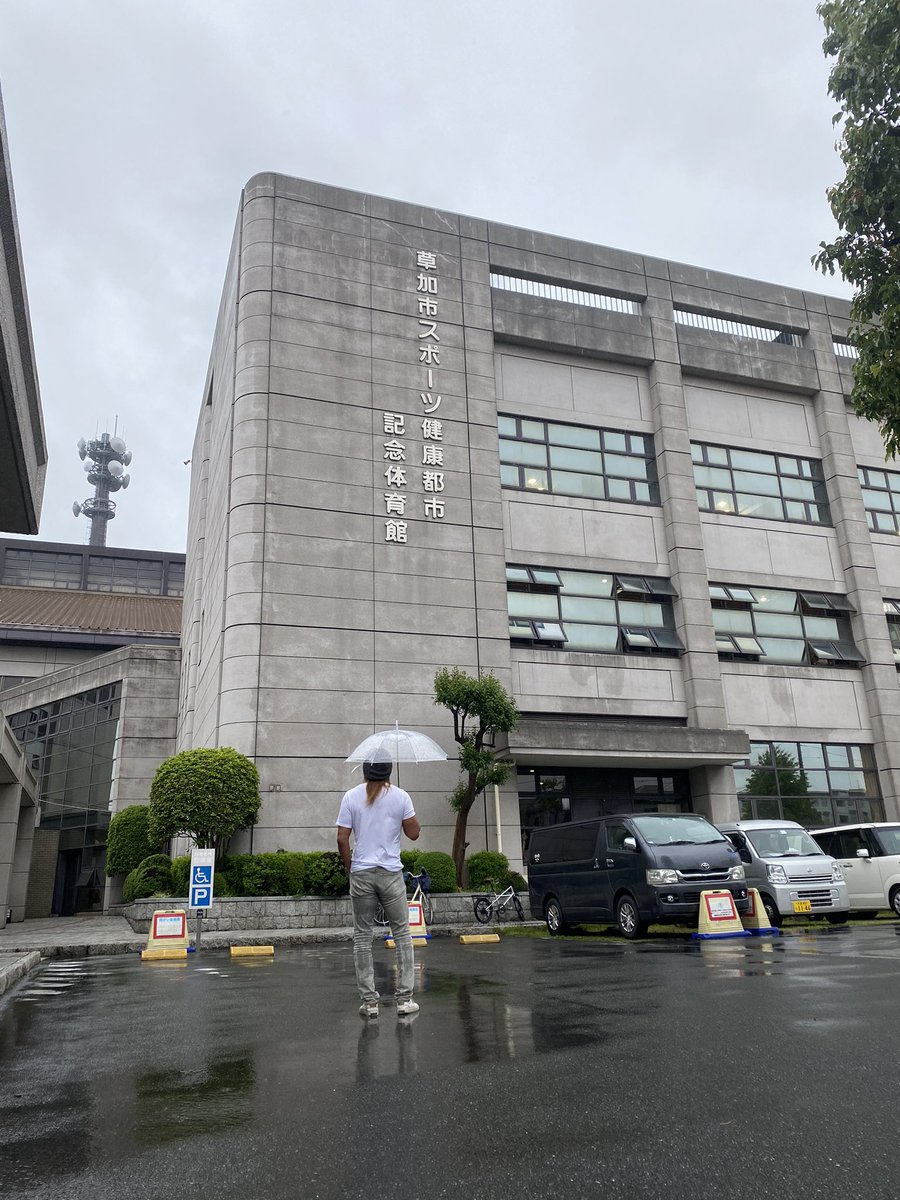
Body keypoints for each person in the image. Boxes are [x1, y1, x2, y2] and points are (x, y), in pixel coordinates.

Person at [336, 759, 421, 1019]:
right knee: (402, 933)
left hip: (362, 872)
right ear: (389, 772)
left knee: (362, 936)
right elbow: (414, 833)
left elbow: (342, 838)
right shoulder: (401, 796)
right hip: (390, 874)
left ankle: (370, 1002)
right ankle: (404, 1000)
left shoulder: (350, 796)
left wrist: (351, 868)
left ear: (365, 771)